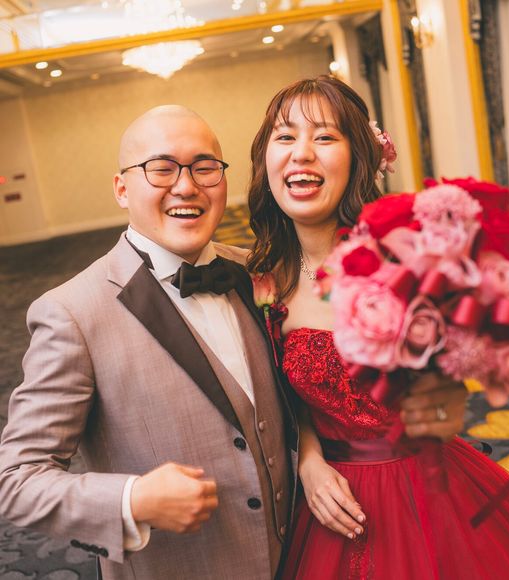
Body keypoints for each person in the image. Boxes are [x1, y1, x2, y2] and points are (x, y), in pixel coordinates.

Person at [247, 76, 509, 578]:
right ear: (265, 159)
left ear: (359, 158)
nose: (302, 153)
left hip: (429, 484)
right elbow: (280, 405)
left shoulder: (406, 255)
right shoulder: (262, 282)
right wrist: (308, 462)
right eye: (286, 136)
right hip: (332, 497)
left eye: (325, 136)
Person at [0, 105, 296, 580]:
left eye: (204, 167)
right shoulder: (72, 313)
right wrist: (131, 500)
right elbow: (16, 482)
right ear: (122, 188)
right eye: (161, 168)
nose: (186, 186)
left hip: (301, 557)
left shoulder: (256, 271)